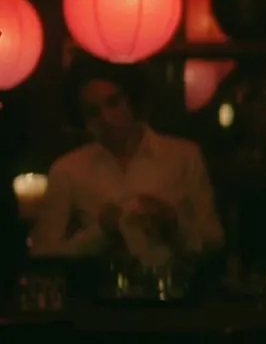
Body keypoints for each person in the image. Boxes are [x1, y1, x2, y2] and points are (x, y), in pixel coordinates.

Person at [30, 58, 223, 263]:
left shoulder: (183, 157)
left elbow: (213, 241)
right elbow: (44, 253)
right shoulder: (68, 170)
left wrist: (173, 226)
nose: (106, 118)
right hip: (99, 282)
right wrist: (99, 233)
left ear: (132, 100)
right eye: (93, 112)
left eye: (113, 103)